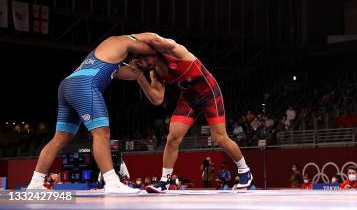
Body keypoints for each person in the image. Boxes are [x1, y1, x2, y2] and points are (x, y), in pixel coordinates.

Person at [26, 34, 157, 194]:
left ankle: (35, 184)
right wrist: (168, 56)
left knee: (60, 138)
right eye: (146, 61)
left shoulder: (112, 58)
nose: (144, 64)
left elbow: (134, 74)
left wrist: (142, 67)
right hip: (84, 85)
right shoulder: (122, 41)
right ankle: (111, 182)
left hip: (67, 85)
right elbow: (157, 47)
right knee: (101, 134)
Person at [130, 33, 253, 192]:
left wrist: (129, 39)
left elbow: (153, 38)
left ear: (153, 52)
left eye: (145, 59)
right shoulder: (154, 72)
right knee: (172, 138)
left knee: (219, 138)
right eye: (141, 62)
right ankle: (165, 181)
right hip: (189, 97)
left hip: (209, 92)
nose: (144, 64)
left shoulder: (173, 50)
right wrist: (139, 76)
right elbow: (157, 99)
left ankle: (245, 171)